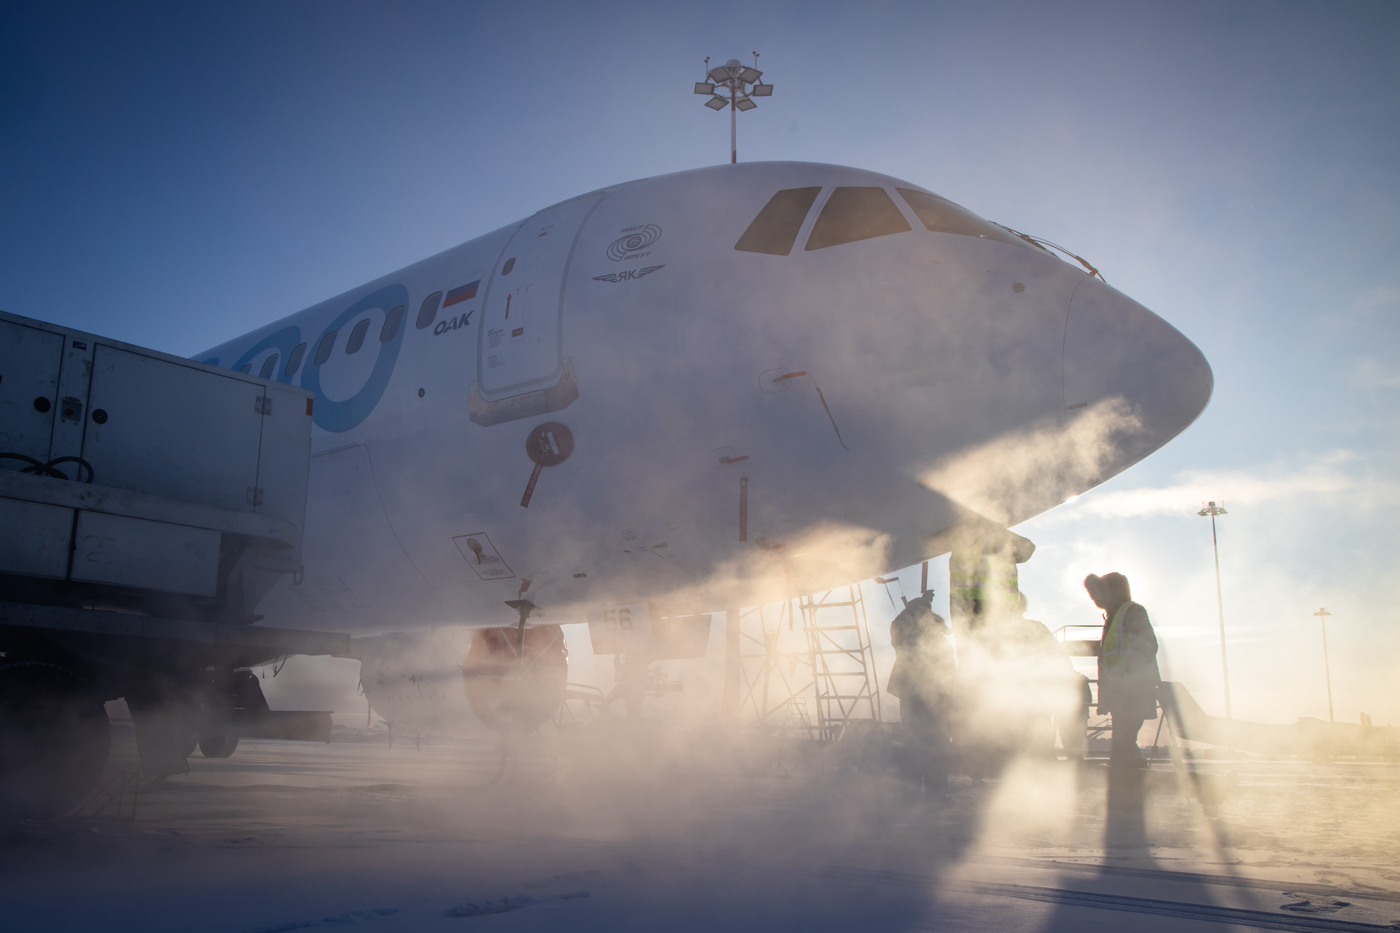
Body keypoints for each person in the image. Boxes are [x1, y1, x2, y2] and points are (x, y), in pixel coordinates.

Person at [1084, 572, 1161, 767]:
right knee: (1124, 731)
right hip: (1122, 688)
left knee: (1126, 729)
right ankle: (1126, 762)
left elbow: (1147, 646)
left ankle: (1125, 766)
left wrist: (1130, 675)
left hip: (1132, 687)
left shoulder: (1131, 612)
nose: (1096, 600)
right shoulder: (1115, 616)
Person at [888, 590, 957, 795]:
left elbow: (949, 673)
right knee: (919, 741)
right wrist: (920, 604)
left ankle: (932, 790)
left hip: (931, 696)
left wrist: (919, 604)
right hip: (917, 695)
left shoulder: (934, 640)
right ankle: (922, 790)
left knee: (929, 742)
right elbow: (899, 625)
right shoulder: (906, 635)